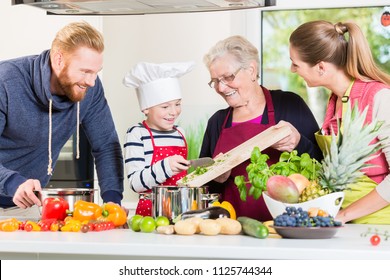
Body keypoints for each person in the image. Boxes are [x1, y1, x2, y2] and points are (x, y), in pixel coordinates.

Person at [0, 21, 124, 216]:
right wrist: (12, 183)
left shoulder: (89, 88)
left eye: (95, 73)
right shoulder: (5, 81)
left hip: (29, 206)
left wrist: (113, 200)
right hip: (10, 189)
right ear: (58, 60)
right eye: (85, 71)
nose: (91, 82)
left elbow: (106, 145)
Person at [199, 35, 322, 222]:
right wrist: (216, 178)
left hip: (288, 226)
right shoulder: (217, 122)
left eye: (227, 77)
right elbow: (202, 190)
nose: (221, 88)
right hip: (231, 230)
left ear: (251, 70)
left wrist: (298, 142)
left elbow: (321, 165)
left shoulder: (289, 105)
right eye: (215, 81)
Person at [289, 20, 390, 224]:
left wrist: (343, 215)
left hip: (379, 227)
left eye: (295, 63)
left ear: (320, 67)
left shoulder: (380, 98)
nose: (292, 69)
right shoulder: (336, 100)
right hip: (346, 223)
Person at [123, 61, 194, 216]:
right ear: (146, 108)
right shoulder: (137, 134)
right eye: (165, 107)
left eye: (178, 104)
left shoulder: (180, 133)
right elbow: (135, 183)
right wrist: (166, 166)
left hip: (180, 211)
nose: (174, 112)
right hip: (150, 214)